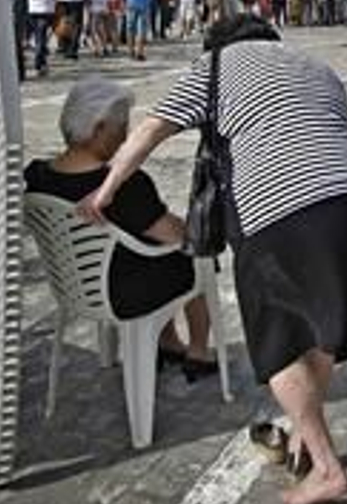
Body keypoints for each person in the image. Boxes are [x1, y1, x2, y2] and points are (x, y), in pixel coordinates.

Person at [82, 16, 347, 504]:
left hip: (281, 205)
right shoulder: (317, 66)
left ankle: (327, 468)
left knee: (280, 340)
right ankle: (304, 437)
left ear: (215, 45)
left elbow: (154, 128)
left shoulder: (216, 64)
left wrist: (106, 190)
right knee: (320, 326)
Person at [25, 78, 217, 378]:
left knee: (149, 241)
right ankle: (199, 352)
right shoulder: (125, 186)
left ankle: (167, 341)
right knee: (196, 254)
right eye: (121, 126)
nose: (126, 135)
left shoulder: (36, 175)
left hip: (72, 285)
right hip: (122, 291)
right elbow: (177, 237)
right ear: (99, 128)